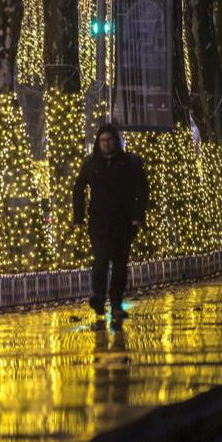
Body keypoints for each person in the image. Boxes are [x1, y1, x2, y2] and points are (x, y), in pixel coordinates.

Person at [72, 123, 149, 320]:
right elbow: (79, 188)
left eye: (109, 140)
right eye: (103, 140)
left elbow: (142, 190)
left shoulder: (129, 163)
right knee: (101, 260)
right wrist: (78, 217)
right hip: (99, 222)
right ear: (98, 142)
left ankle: (115, 304)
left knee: (120, 265)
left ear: (116, 141)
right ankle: (98, 297)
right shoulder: (91, 163)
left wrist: (137, 217)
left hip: (123, 222)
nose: (106, 144)